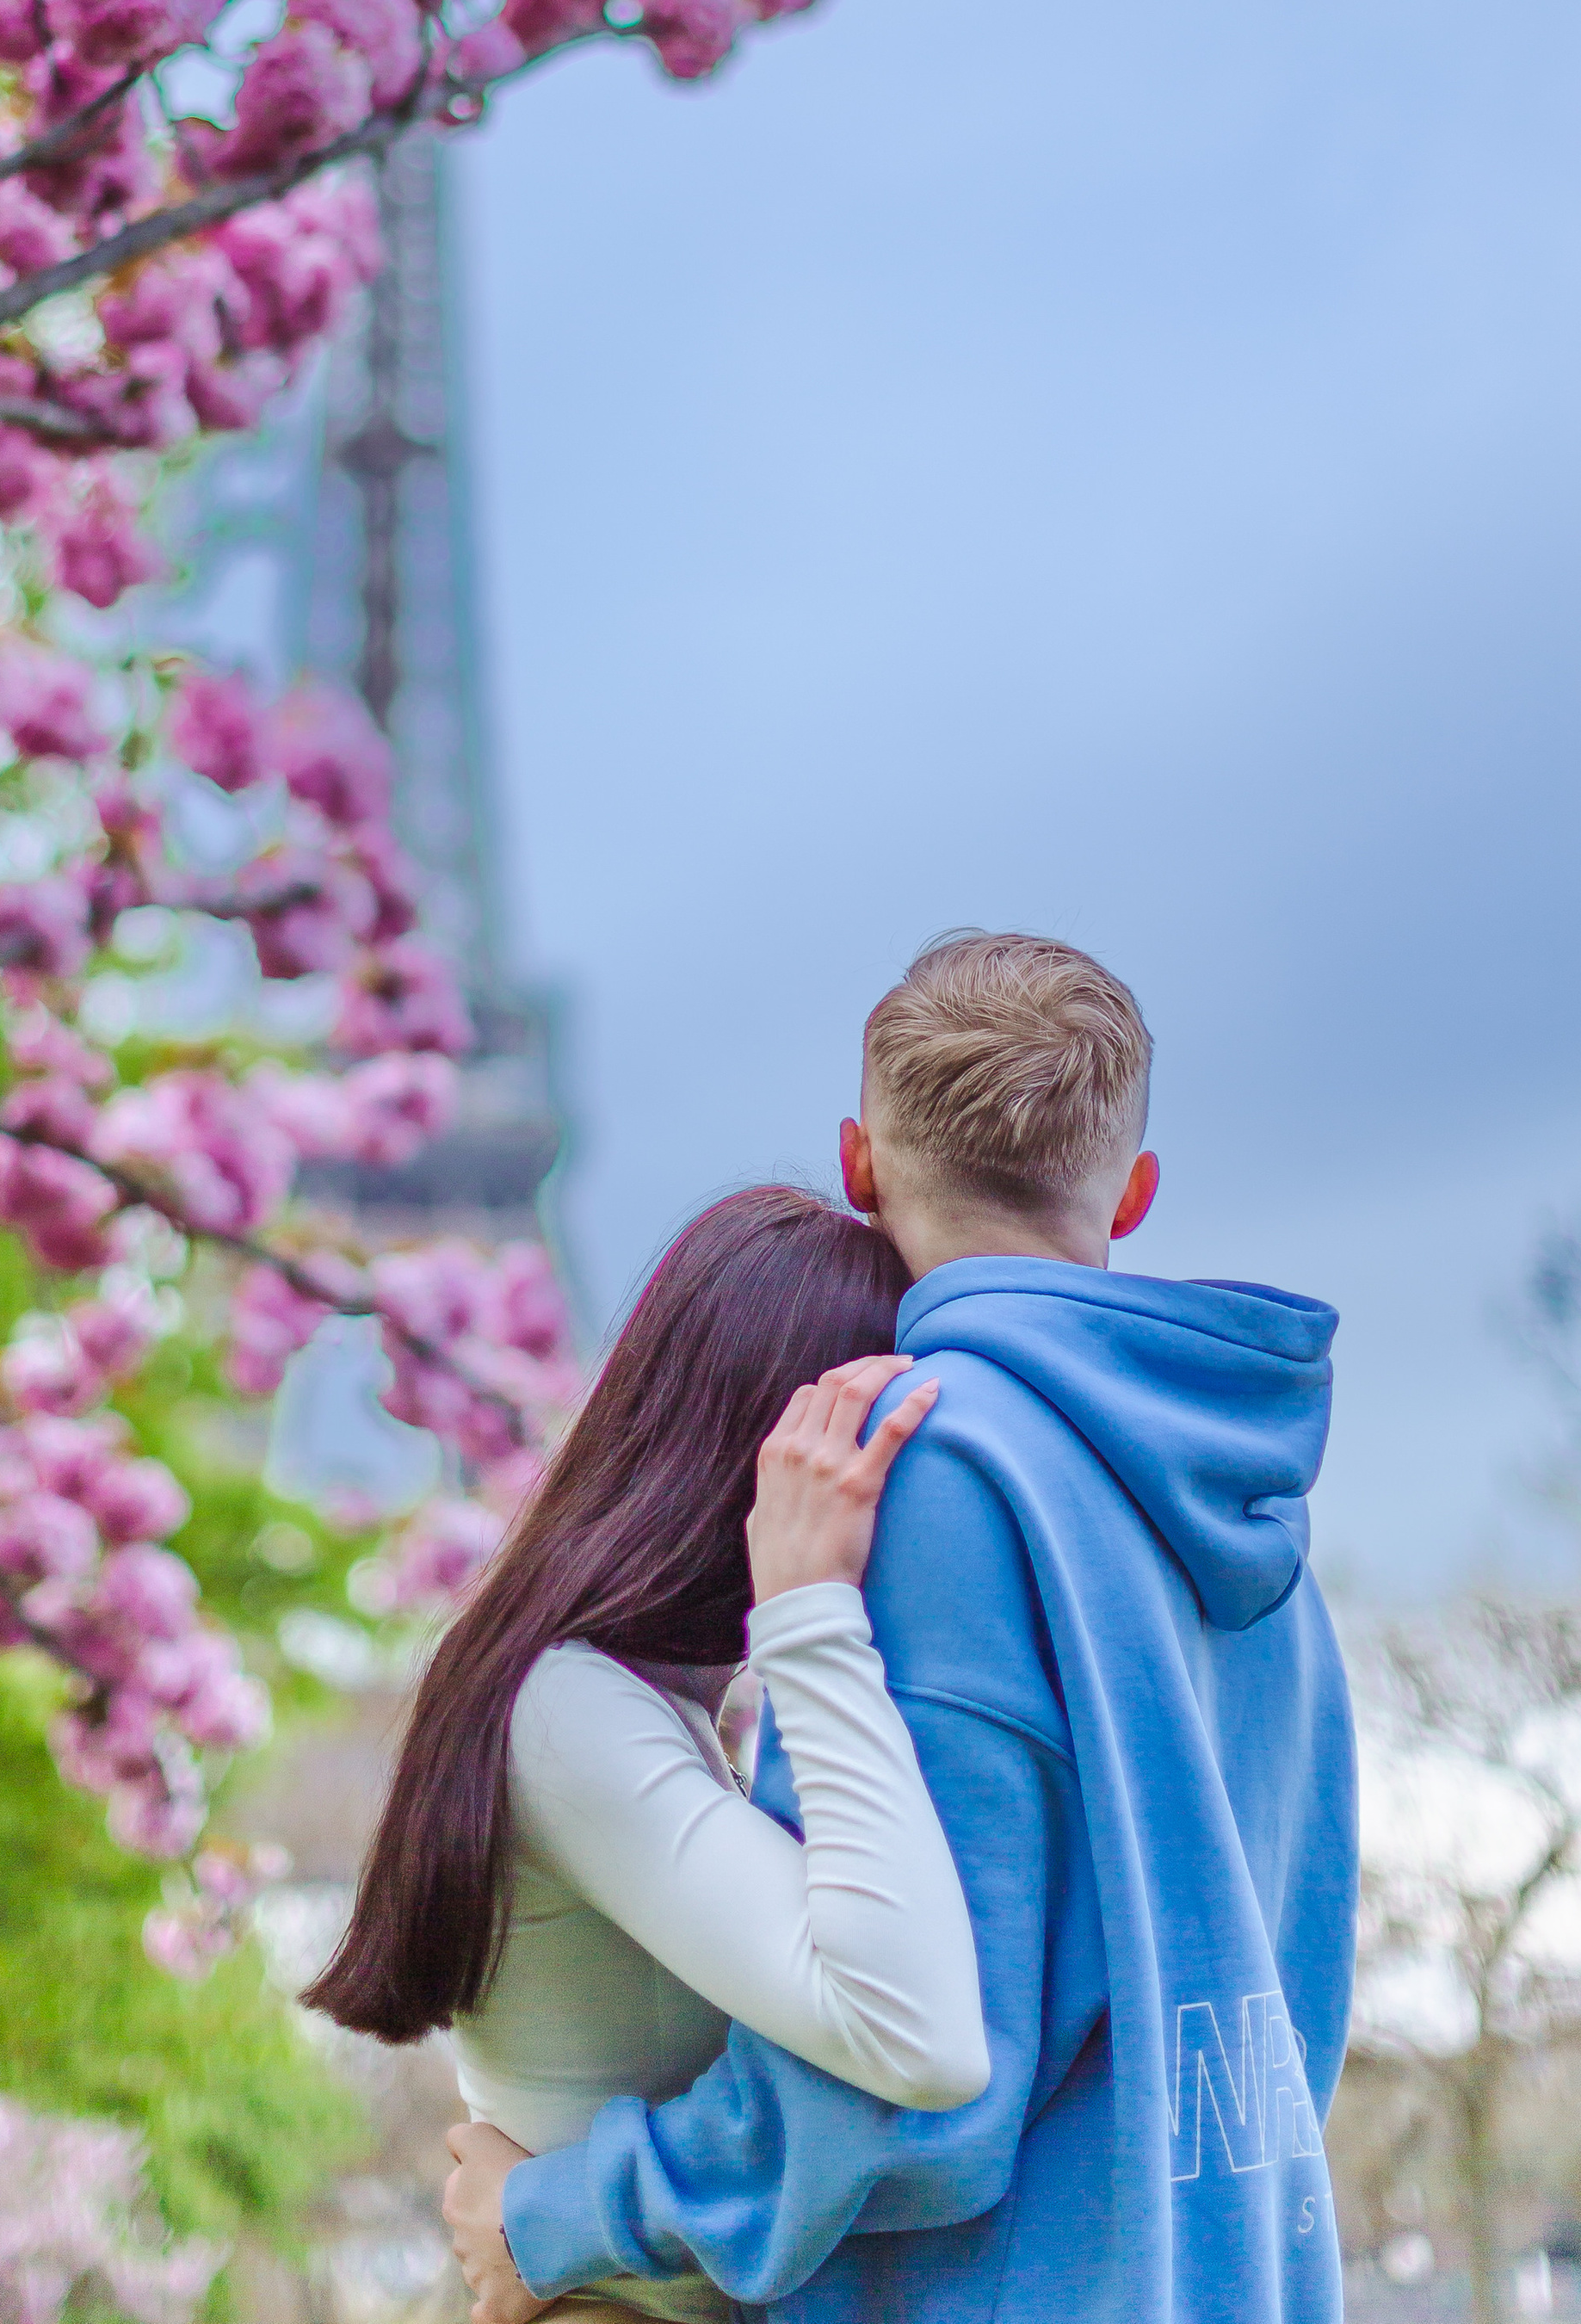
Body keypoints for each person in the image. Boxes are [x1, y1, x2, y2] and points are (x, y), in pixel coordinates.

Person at [446, 932, 1358, 2324]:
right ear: (1137, 1192)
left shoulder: (919, 1473)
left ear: (859, 1167)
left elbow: (909, 2070)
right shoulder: (1250, 1517)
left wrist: (561, 2214)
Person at [305, 1183, 991, 2315]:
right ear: (779, 1457)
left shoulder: (624, 1697)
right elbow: (919, 2039)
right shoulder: (568, 1708)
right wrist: (812, 1608)